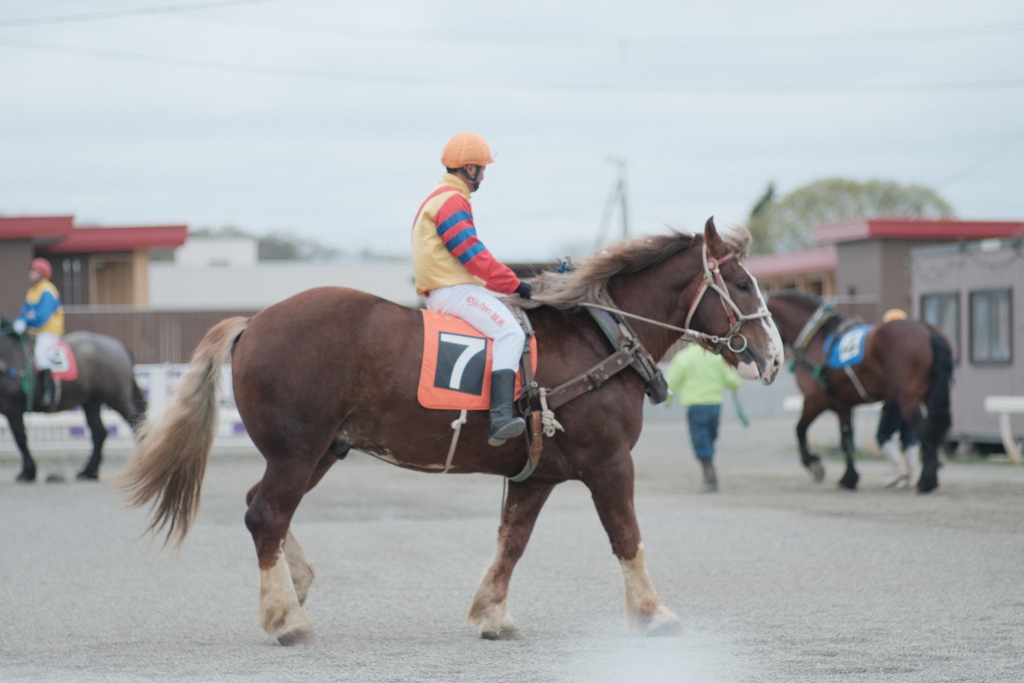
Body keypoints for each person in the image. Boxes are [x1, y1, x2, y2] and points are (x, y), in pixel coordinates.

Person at [411, 132, 533, 446]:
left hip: (446, 289)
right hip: (453, 291)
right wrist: (515, 284)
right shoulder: (451, 200)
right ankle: (501, 416)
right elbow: (472, 254)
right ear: (470, 169)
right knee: (511, 333)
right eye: (482, 169)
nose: (483, 176)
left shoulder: (441, 195)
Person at [665, 342, 741, 492]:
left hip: (696, 406)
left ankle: (709, 473)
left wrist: (666, 400)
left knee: (701, 439)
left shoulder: (683, 358)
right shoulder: (716, 357)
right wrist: (736, 386)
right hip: (715, 405)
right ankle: (709, 467)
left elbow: (671, 382)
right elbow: (731, 379)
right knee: (710, 438)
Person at [12, 258, 65, 410]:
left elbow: (42, 316)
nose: (31, 274)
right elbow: (24, 313)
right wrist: (18, 322)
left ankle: (48, 392)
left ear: (43, 274)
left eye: (35, 271)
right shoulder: (32, 292)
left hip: (48, 332)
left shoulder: (48, 290)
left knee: (41, 354)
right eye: (31, 271)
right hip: (33, 333)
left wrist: (26, 322)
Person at [876, 308, 920, 488]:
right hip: (913, 396)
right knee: (908, 435)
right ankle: (914, 473)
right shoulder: (914, 344)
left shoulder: (888, 348)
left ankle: (899, 469)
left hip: (895, 397)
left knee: (883, 435)